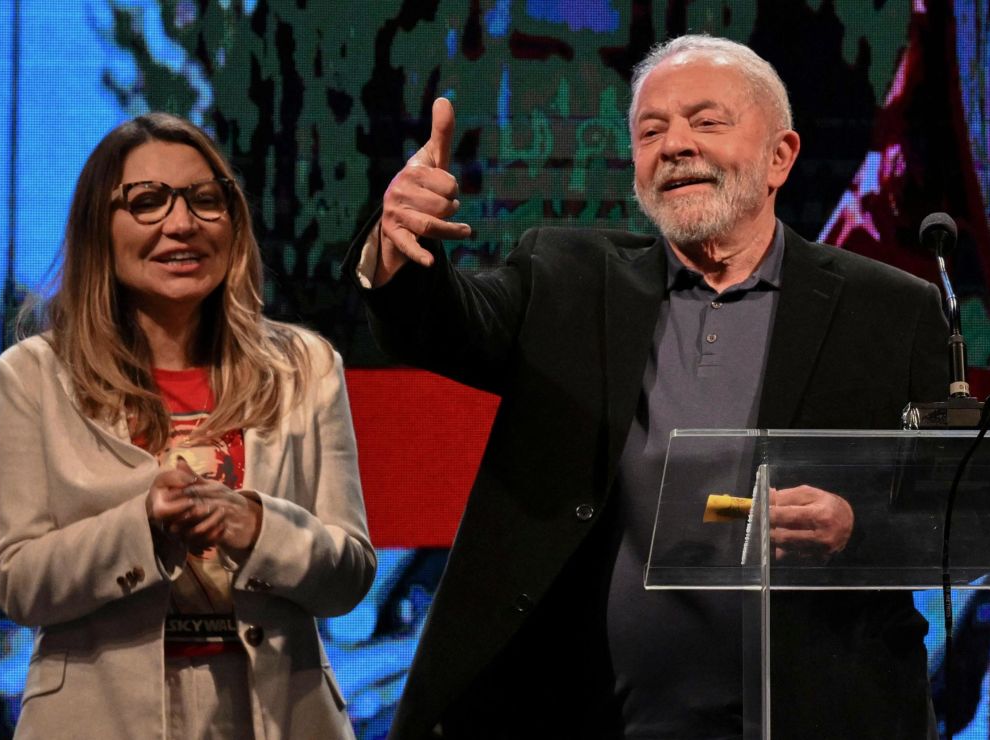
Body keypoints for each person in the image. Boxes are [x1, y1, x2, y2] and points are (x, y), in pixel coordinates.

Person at [347, 33, 952, 739]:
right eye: (651, 130)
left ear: (780, 157)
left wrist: (859, 527)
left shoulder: (891, 309)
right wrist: (398, 246)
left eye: (706, 121)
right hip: (585, 717)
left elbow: (965, 510)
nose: (675, 144)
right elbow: (439, 326)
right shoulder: (565, 277)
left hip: (823, 711)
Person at [0, 112, 376, 739]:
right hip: (97, 718)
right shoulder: (33, 376)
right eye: (146, 202)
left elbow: (350, 573)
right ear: (99, 231)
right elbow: (17, 581)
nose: (181, 223)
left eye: (204, 199)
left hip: (276, 717)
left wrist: (260, 528)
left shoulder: (307, 366)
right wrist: (140, 526)